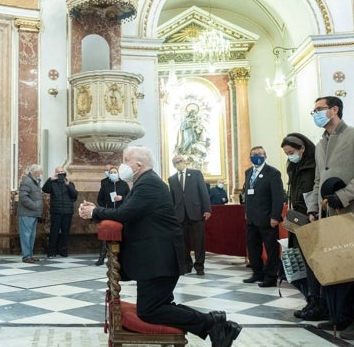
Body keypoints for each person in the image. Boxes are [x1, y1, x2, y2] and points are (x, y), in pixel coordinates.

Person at [78, 146, 241, 347]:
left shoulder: (149, 185)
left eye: (126, 160)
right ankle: (215, 324)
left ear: (138, 165)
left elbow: (125, 214)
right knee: (158, 306)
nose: (123, 165)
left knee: (150, 311)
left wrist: (95, 212)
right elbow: (127, 211)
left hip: (160, 257)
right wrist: (96, 211)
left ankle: (213, 322)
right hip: (155, 257)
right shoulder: (144, 182)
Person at [306, 96, 354, 339]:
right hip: (333, 216)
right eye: (313, 111)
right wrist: (313, 207)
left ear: (334, 110)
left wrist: (342, 196)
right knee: (343, 267)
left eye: (319, 110)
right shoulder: (320, 144)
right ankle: (344, 317)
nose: (315, 115)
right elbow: (317, 181)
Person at [280, 133, 327, 321]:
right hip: (297, 218)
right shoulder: (293, 165)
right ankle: (311, 299)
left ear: (302, 148)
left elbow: (315, 189)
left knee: (314, 262)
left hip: (312, 217)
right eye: (286, 154)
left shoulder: (314, 163)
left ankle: (320, 303)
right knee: (304, 261)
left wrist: (313, 211)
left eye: (291, 152)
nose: (289, 156)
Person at [242, 146, 285, 288]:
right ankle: (257, 273)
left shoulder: (272, 173)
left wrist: (275, 216)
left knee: (271, 249)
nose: (257, 156)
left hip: (268, 218)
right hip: (252, 219)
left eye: (260, 154)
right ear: (250, 157)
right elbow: (247, 193)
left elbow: (277, 197)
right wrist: (247, 212)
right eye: (254, 154)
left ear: (265, 156)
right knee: (253, 247)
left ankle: (271, 276)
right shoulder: (248, 172)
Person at [168, 156, 211, 275]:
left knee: (199, 241)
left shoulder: (196, 174)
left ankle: (199, 265)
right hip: (180, 214)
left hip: (196, 212)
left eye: (180, 161)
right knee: (183, 242)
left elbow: (203, 191)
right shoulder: (172, 179)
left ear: (184, 162)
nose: (179, 163)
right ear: (174, 165)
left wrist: (207, 209)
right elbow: (172, 199)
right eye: (176, 162)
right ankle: (187, 264)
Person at [95, 165, 130, 266]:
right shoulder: (105, 185)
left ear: (118, 174)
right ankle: (102, 256)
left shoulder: (124, 184)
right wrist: (104, 209)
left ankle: (122, 257)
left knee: (122, 233)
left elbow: (130, 198)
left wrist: (122, 198)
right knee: (105, 234)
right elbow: (99, 199)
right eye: (111, 173)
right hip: (108, 213)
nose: (113, 174)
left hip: (121, 212)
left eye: (115, 172)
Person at [42, 166, 78, 258]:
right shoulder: (52, 183)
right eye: (59, 172)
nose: (61, 173)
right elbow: (45, 189)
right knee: (54, 232)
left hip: (67, 212)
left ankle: (63, 251)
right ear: (56, 173)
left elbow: (74, 195)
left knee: (65, 233)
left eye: (62, 171)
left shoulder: (70, 183)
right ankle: (51, 252)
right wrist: (50, 179)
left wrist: (68, 185)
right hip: (56, 212)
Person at [17, 164, 44, 263]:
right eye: (40, 172)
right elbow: (23, 198)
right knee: (26, 235)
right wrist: (35, 206)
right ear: (36, 173)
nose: (41, 174)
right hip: (26, 213)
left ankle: (30, 255)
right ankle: (26, 256)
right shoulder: (26, 181)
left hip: (33, 214)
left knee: (31, 236)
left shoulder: (35, 182)